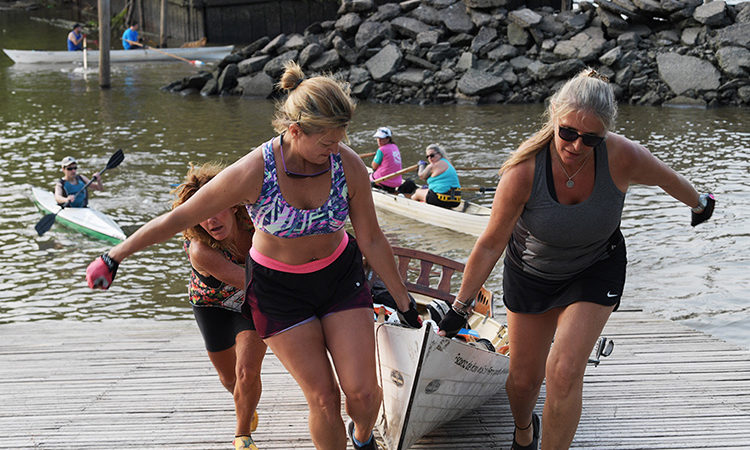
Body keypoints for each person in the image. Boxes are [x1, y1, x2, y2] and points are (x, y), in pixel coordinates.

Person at [85, 60, 422, 450]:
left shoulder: (346, 165)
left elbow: (373, 239)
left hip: (339, 279)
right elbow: (180, 216)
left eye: (340, 138)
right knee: (325, 398)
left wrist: (404, 300)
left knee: (363, 396)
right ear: (295, 131)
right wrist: (115, 255)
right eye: (326, 142)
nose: (336, 149)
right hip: (279, 291)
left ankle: (363, 438)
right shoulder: (254, 170)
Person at [437, 68, 715, 450]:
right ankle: (523, 431)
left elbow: (668, 178)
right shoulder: (522, 172)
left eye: (591, 139)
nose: (577, 145)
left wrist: (700, 204)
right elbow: (490, 244)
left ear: (604, 134)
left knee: (565, 370)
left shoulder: (622, 156)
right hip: (531, 273)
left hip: (594, 267)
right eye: (567, 132)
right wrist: (460, 306)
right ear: (554, 116)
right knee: (522, 381)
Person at [173, 162, 266, 450]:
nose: (211, 221)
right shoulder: (200, 250)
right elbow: (246, 279)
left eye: (217, 210)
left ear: (234, 205)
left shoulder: (257, 224)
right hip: (211, 305)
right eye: (202, 216)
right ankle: (245, 407)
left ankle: (242, 437)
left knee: (247, 371)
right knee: (229, 379)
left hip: (253, 301)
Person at [410, 144, 461, 208]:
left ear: (439, 154)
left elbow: (421, 176)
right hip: (456, 200)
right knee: (426, 190)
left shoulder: (433, 165)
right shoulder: (448, 163)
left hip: (440, 199)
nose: (430, 158)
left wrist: (421, 165)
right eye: (427, 157)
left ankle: (413, 208)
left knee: (417, 192)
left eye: (432, 155)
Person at [369, 126, 402, 193]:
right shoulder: (395, 146)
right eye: (378, 138)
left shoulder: (381, 149)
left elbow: (374, 166)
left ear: (388, 139)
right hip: (396, 182)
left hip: (383, 182)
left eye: (382, 138)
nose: (379, 140)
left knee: (365, 176)